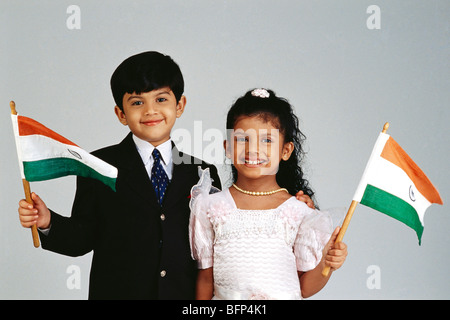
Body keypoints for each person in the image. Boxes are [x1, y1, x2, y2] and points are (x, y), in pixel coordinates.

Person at [16, 51, 222, 299]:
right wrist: (48, 221)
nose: (150, 111)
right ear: (121, 114)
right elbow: (82, 237)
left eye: (161, 99)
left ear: (179, 105)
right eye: (137, 102)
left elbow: (213, 252)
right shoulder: (97, 165)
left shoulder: (201, 172)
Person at [189, 88, 348, 300]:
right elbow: (205, 279)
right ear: (227, 148)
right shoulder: (209, 207)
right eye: (243, 139)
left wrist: (326, 263)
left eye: (267, 141)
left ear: (286, 151)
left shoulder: (299, 212)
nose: (253, 150)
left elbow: (304, 288)